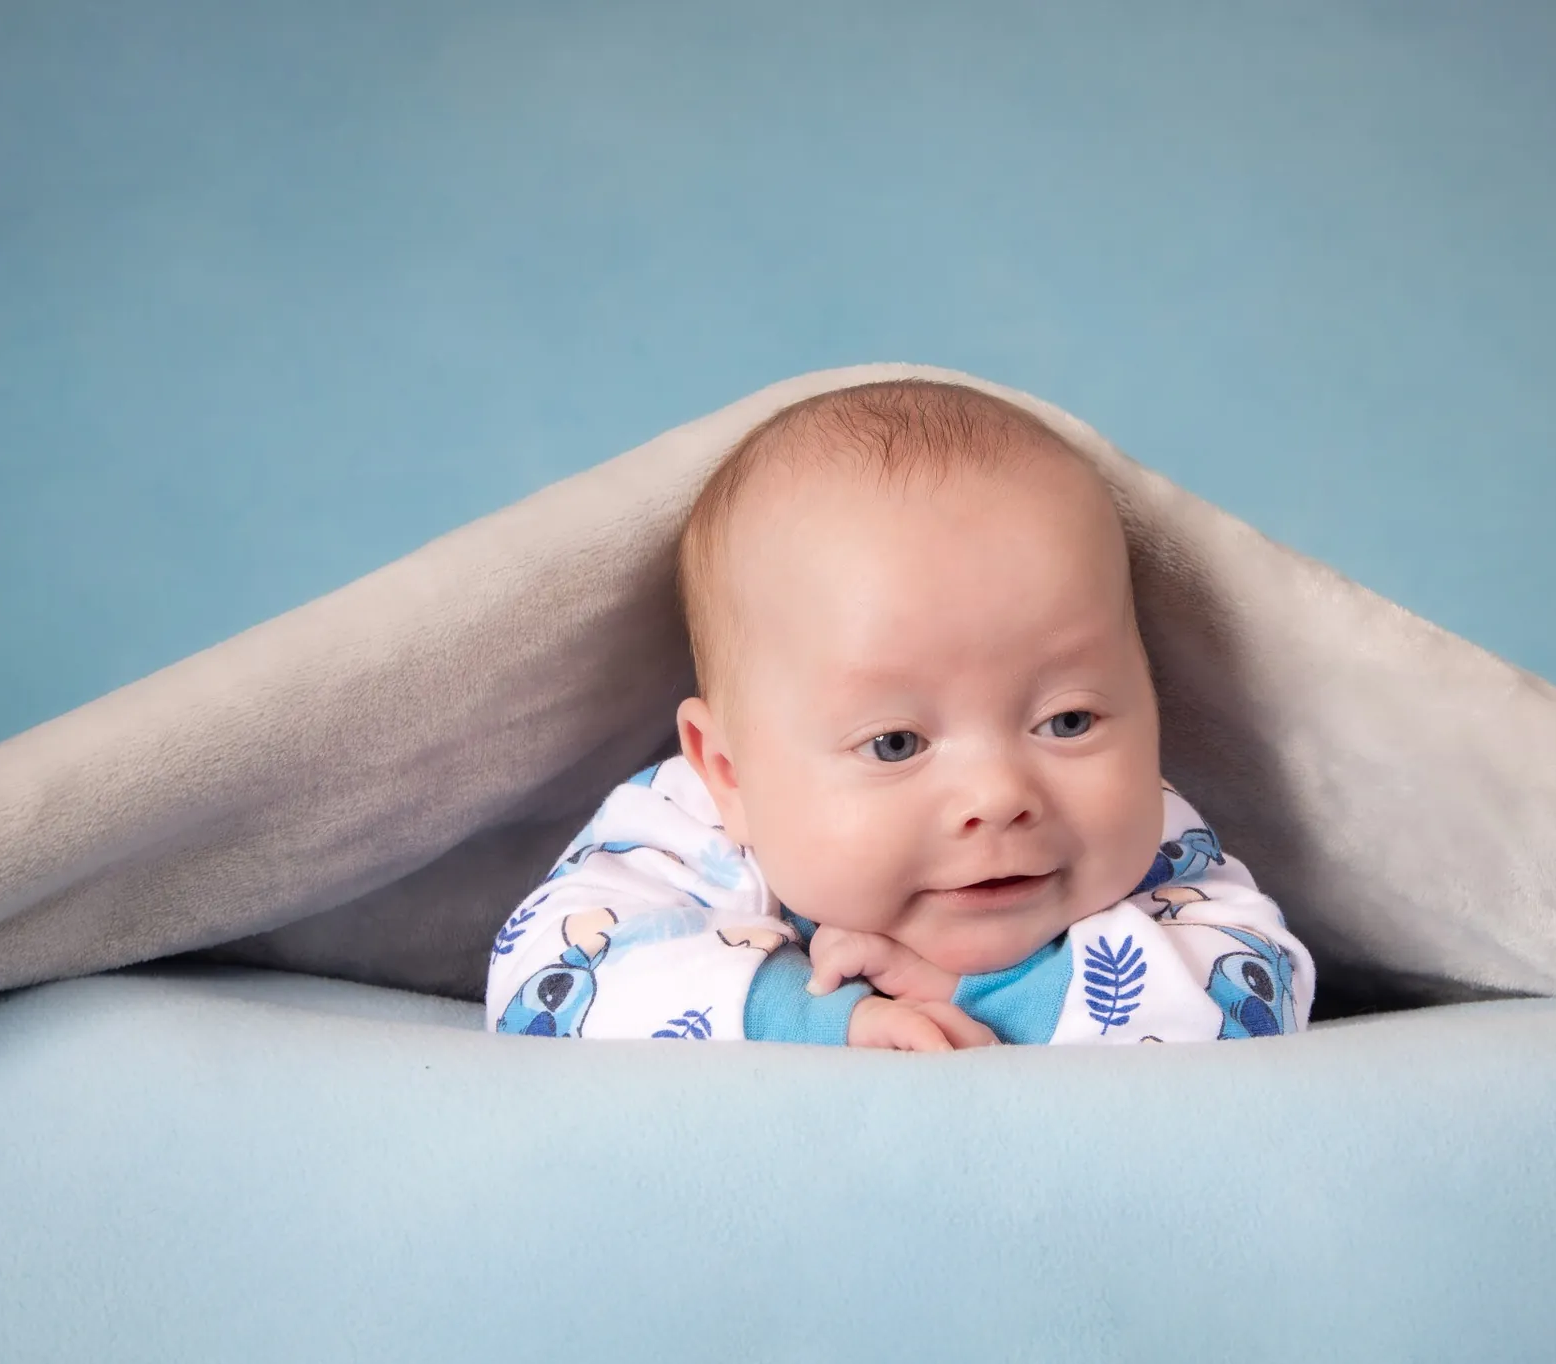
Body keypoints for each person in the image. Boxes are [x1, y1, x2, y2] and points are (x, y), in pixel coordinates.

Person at [485, 381, 1314, 1048]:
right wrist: (811, 1018)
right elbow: (541, 987)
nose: (997, 794)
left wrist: (980, 999)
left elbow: (1259, 988)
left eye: (1068, 721)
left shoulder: (1154, 845)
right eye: (895, 743)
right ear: (731, 773)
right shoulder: (684, 835)